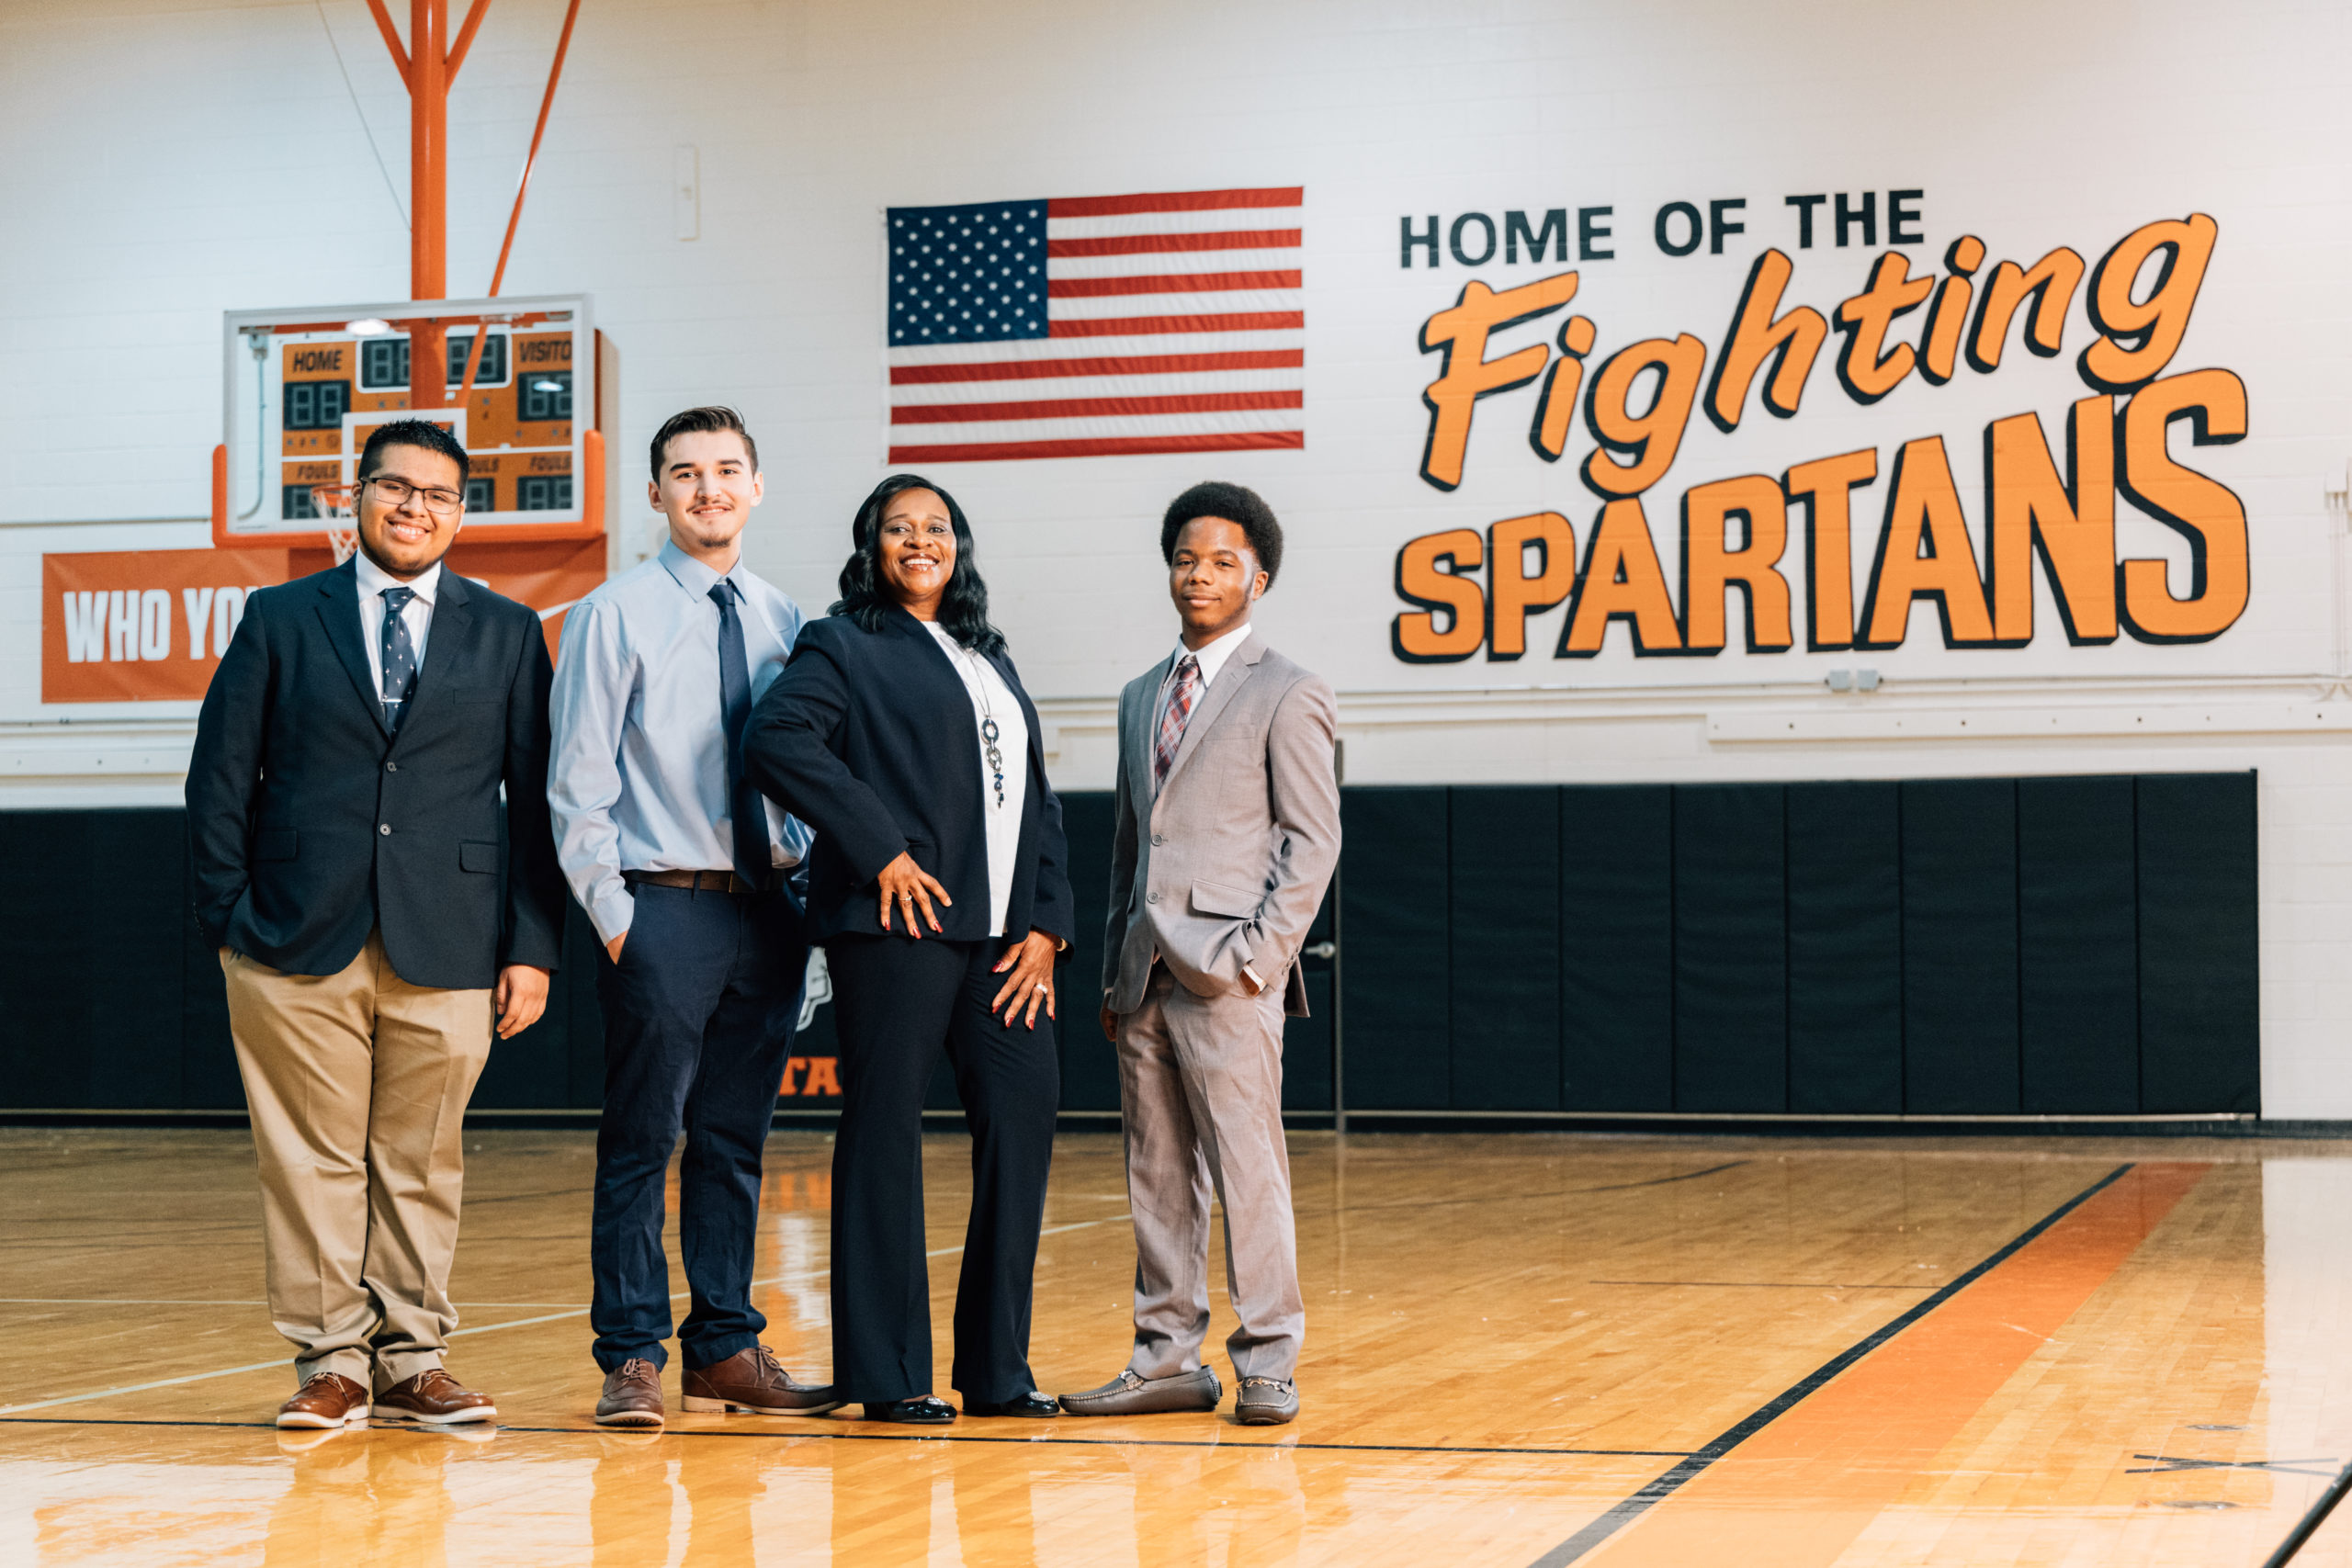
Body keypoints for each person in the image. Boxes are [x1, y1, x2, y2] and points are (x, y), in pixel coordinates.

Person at [187, 417, 567, 1429]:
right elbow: (221, 778)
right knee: (308, 1158)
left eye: (439, 495)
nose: (415, 508)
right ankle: (332, 1361)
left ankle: (413, 1359)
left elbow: (533, 803)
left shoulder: (506, 631)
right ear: (353, 499)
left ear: (460, 515)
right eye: (395, 488)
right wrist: (229, 920)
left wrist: (531, 946)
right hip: (290, 936)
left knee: (420, 1159)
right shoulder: (278, 616)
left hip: (449, 937)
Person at [743, 473, 1071, 1425]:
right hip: (899, 927)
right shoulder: (841, 643)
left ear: (958, 546)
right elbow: (777, 738)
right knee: (884, 1130)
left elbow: (1037, 801)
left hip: (1005, 939)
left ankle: (998, 1372)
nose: (919, 540)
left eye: (936, 527)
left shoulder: (987, 657)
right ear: (871, 548)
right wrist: (876, 846)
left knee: (1022, 1125)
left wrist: (1048, 923)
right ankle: (887, 1377)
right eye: (899, 528)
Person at [548, 406, 836, 1430]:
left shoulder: (787, 617)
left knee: (733, 1141)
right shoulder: (612, 613)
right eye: (685, 473)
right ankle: (631, 1354)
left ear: (757, 486)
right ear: (658, 494)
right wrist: (618, 918)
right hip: (662, 905)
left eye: (726, 470)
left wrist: (804, 911)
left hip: (768, 911)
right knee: (642, 1137)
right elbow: (574, 785)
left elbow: (806, 776)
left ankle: (724, 1345)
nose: (708, 488)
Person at [1060, 481, 1340, 1427]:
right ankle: (1165, 1357)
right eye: (1186, 559)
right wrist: (1112, 971)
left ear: (1259, 575)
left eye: (1223, 561)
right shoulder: (1142, 694)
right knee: (1156, 1171)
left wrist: (1259, 961)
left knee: (1247, 1168)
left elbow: (1312, 844)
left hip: (1229, 973)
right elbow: (1129, 849)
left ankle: (1267, 1360)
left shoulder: (1288, 690)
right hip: (1142, 973)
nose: (1200, 575)